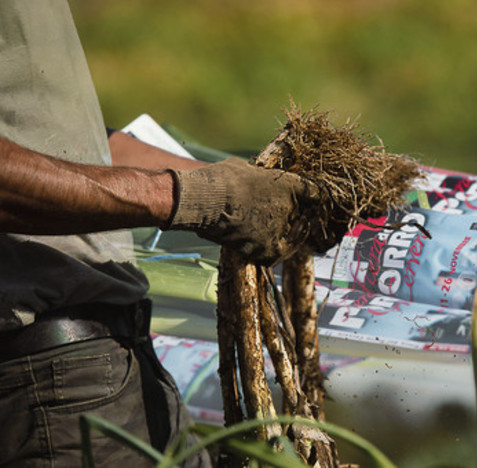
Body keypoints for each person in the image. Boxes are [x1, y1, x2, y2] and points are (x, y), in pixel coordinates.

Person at [0, 2, 326, 466]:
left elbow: (56, 140)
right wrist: (190, 198)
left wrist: (238, 185)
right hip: (46, 387)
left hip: (110, 365)